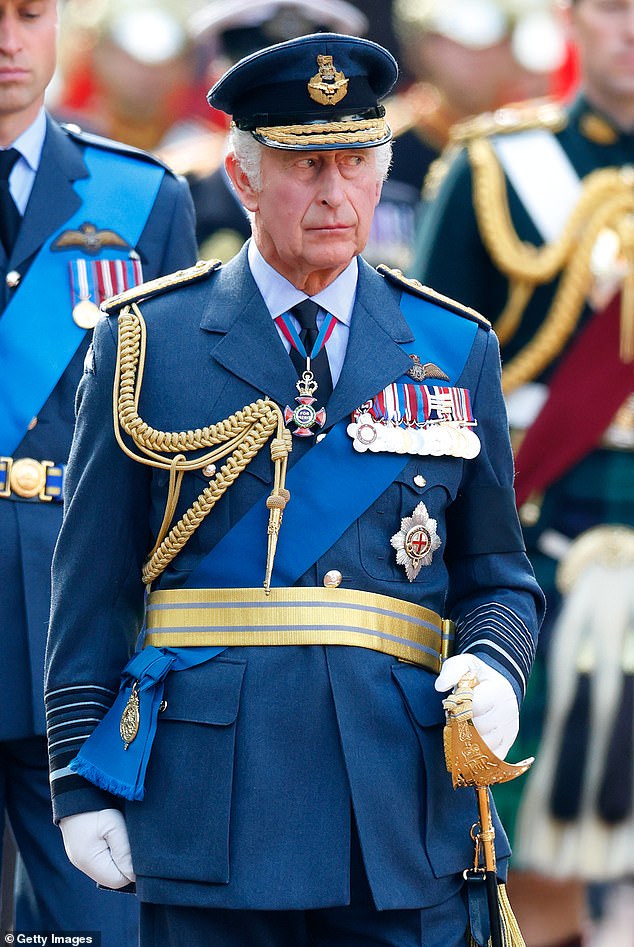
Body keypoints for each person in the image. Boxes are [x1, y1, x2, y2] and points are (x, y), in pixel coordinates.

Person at [44, 32, 544, 947]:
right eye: (304, 165)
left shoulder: (451, 345)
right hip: (209, 803)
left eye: (357, 162)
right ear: (242, 178)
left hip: (396, 806)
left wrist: (497, 665)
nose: (335, 192)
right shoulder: (146, 342)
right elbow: (90, 593)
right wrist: (79, 781)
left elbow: (498, 574)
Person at [412, 1, 634, 944]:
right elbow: (424, 393)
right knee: (527, 868)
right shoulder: (499, 169)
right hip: (544, 547)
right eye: (618, 6)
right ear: (574, 16)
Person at [0, 0, 197, 940]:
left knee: (98, 932)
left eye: (28, 14)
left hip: (72, 644)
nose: (7, 40)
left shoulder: (142, 201)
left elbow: (177, 455)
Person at [361, 0, 569, 270]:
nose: (485, 57)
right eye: (467, 44)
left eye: (499, 42)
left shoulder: (535, 149)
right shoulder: (377, 143)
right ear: (424, 46)